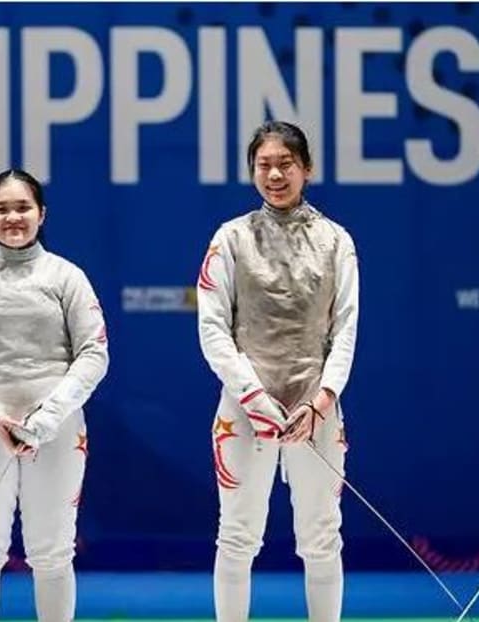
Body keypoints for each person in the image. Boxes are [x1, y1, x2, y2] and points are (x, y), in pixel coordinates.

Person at [197, 120, 359, 622]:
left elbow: (346, 330)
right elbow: (213, 329)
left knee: (321, 534)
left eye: (285, 163)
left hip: (316, 408)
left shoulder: (336, 241)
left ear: (306, 169)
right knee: (238, 533)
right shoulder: (230, 238)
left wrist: (320, 400)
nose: (274, 174)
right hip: (245, 408)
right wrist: (252, 396)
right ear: (252, 172)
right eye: (264, 165)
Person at [0, 169, 109, 622]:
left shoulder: (67, 277)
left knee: (52, 550)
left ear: (41, 214)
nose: (13, 217)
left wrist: (46, 418)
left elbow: (94, 353)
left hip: (55, 431)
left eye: (22, 208)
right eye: (2, 209)